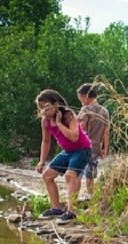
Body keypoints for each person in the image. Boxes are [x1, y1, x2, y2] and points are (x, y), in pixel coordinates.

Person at [35, 89, 92, 222]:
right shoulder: (45, 121)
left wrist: (59, 123)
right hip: (67, 152)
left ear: (55, 104)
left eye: (45, 106)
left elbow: (74, 136)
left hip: (82, 149)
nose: (43, 111)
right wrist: (42, 161)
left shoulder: (68, 115)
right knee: (47, 175)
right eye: (40, 108)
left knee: (70, 175)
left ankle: (71, 211)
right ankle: (57, 209)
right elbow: (46, 141)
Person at [76, 83, 110, 199]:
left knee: (77, 172)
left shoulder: (85, 110)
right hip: (96, 147)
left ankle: (74, 197)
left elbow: (81, 128)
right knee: (90, 173)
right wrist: (104, 148)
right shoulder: (104, 111)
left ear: (86, 96)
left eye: (80, 99)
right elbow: (106, 132)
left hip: (83, 146)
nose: (81, 102)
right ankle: (90, 195)